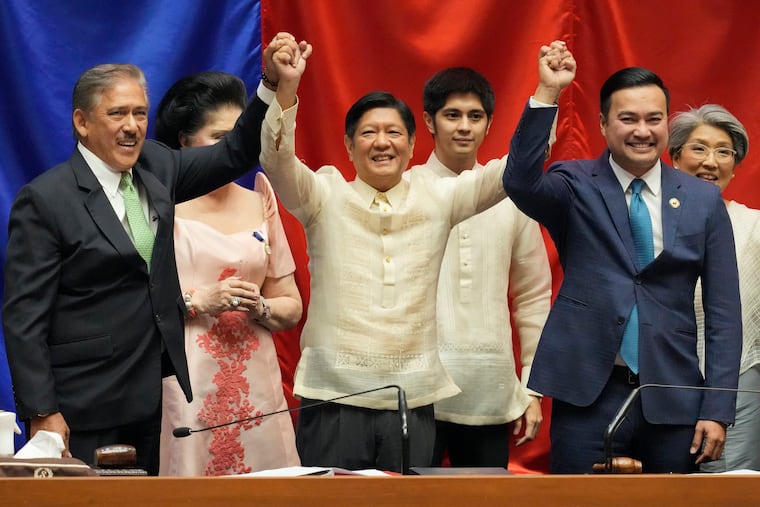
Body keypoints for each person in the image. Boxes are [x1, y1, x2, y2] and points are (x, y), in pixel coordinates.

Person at [259, 39, 565, 473]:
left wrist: (547, 93)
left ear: (412, 141)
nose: (382, 143)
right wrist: (285, 88)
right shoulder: (323, 195)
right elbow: (276, 159)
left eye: (393, 133)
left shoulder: (440, 198)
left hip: (414, 400)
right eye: (368, 132)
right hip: (333, 396)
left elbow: (515, 172)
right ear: (348, 146)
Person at [1, 33, 300, 474]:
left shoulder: (158, 166)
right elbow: (24, 317)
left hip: (150, 397)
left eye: (139, 113)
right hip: (82, 400)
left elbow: (236, 151)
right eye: (117, 113)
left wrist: (271, 84)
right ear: (82, 122)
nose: (132, 125)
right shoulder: (46, 200)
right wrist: (42, 409)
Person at [502, 42, 742, 473]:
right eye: (628, 119)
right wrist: (547, 93)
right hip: (588, 392)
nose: (642, 131)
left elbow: (725, 313)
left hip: (674, 393)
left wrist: (718, 407)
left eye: (653, 120)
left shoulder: (703, 200)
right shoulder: (574, 183)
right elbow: (519, 182)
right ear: (602, 123)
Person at [153, 71, 303, 475]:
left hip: (256, 378)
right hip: (187, 375)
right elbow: (131, 302)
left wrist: (263, 308)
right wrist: (198, 301)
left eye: (240, 136)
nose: (235, 148)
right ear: (184, 142)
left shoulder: (260, 197)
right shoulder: (158, 202)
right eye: (221, 138)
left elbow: (292, 305)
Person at [413, 67, 550, 468]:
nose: (464, 126)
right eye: (452, 115)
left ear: (490, 124)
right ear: (428, 121)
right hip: (416, 392)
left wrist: (532, 388)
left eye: (475, 116)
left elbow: (533, 295)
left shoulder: (512, 198)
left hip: (490, 391)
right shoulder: (404, 189)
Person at [669, 104, 760, 472]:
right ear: (674, 158)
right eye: (699, 148)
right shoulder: (648, 221)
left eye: (724, 152)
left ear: (735, 166)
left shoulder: (754, 226)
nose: (712, 161)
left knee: (729, 491)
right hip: (661, 385)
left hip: (738, 386)